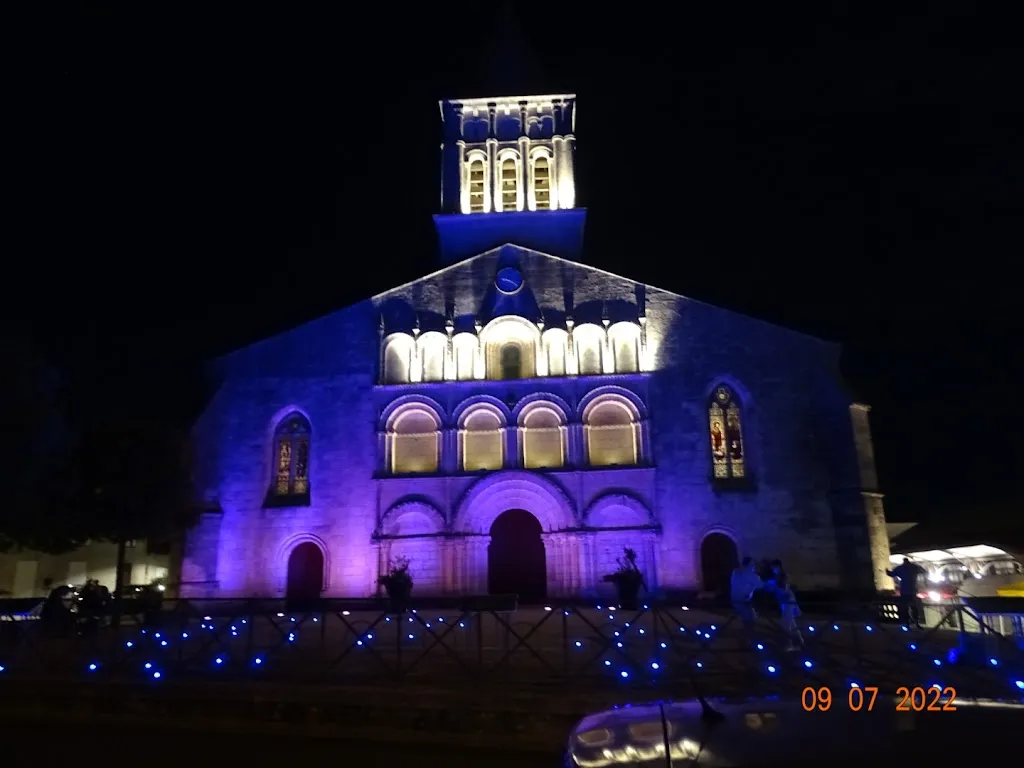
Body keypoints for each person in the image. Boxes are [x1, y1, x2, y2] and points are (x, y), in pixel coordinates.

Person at [764, 559, 804, 651]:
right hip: (784, 603)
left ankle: (789, 645)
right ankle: (800, 642)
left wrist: (772, 585)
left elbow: (784, 590)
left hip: (788, 603)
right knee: (791, 624)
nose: (772, 569)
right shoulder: (776, 577)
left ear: (778, 567)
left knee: (786, 625)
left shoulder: (782, 577)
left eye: (773, 567)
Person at [887, 558, 927, 628]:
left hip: (904, 590)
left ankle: (907, 623)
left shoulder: (900, 568)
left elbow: (891, 574)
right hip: (912, 590)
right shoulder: (914, 567)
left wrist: (886, 570)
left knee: (905, 607)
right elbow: (924, 571)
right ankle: (916, 623)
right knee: (914, 607)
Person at [730, 557, 764, 631]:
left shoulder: (735, 572)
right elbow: (761, 585)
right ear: (750, 564)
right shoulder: (751, 575)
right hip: (744, 601)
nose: (754, 566)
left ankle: (746, 637)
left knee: (749, 618)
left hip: (735, 599)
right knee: (750, 620)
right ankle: (747, 638)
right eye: (753, 564)